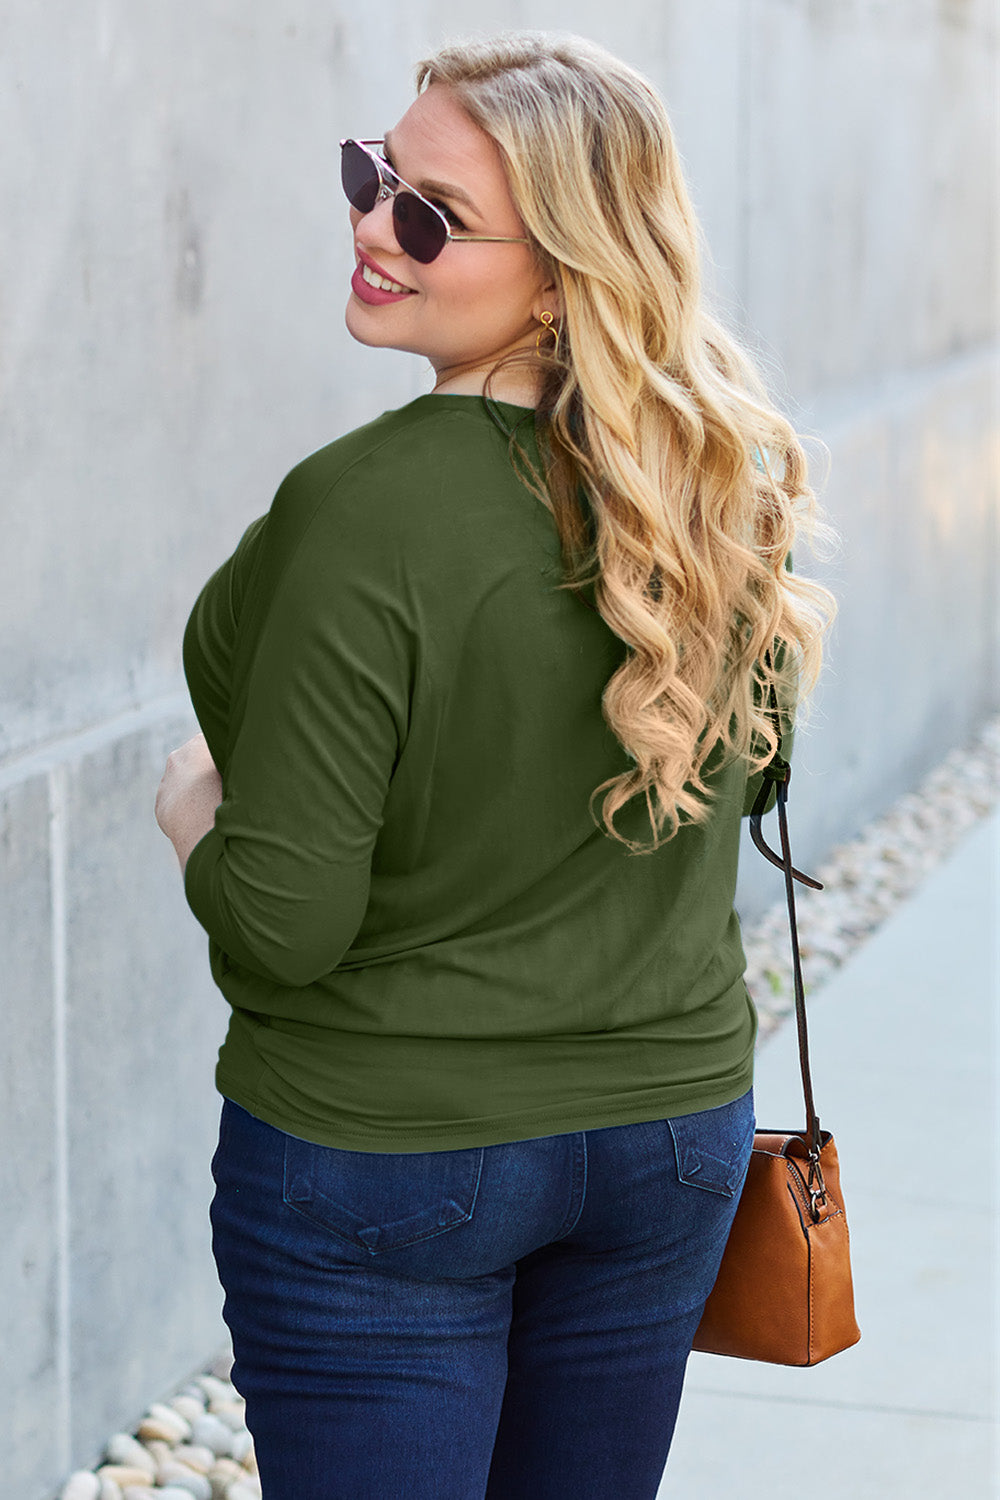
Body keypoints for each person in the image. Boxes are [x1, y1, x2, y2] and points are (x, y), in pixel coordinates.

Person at [154, 30, 836, 1500]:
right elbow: (757, 782)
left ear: (567, 264)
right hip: (666, 1147)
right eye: (370, 174)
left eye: (427, 214)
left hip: (387, 1156)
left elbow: (283, 931)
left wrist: (189, 814)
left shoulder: (361, 512)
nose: (368, 226)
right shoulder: (725, 490)